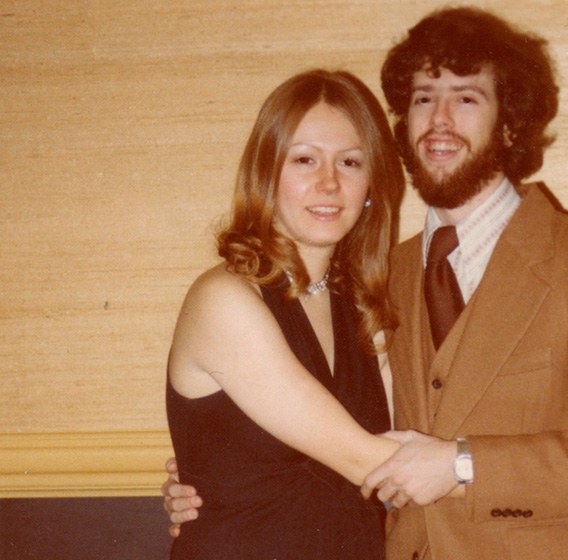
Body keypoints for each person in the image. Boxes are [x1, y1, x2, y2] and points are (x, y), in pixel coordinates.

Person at [165, 7, 568, 559]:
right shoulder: (381, 281)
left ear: (509, 123)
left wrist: (467, 465)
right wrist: (210, 473)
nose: (440, 118)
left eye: (467, 97)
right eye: (424, 98)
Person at [164, 69, 406, 559]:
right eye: (304, 160)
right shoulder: (225, 300)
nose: (329, 183)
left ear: (371, 185)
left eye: (351, 162)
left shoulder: (364, 307)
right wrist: (564, 484)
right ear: (266, 174)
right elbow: (367, 463)